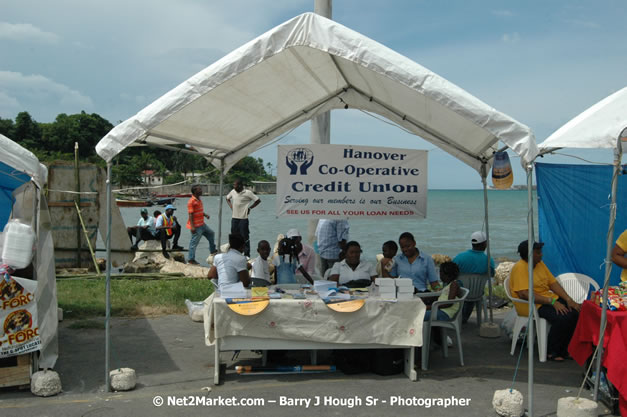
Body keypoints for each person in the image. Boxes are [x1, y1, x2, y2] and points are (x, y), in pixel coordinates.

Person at [509, 240, 580, 362]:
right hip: (531, 305)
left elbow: (553, 283)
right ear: (529, 255)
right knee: (562, 317)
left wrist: (568, 299)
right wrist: (552, 302)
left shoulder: (540, 264)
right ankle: (552, 351)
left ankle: (565, 349)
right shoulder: (520, 268)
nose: (541, 255)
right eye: (538, 253)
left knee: (574, 312)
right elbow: (524, 294)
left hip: (546, 300)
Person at [452, 231, 496, 323]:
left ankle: (459, 317)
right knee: (471, 295)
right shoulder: (488, 260)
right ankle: (464, 318)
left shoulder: (460, 257)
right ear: (484, 244)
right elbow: (492, 274)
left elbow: (451, 273)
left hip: (460, 292)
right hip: (477, 293)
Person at [226, 179, 260, 257]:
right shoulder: (233, 191)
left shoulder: (248, 193)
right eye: (233, 185)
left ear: (240, 185)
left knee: (244, 236)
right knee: (234, 236)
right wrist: (231, 206)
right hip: (234, 218)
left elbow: (258, 200)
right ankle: (235, 252)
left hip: (243, 218)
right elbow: (227, 198)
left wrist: (250, 208)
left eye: (235, 185)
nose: (234, 186)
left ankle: (247, 254)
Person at [187, 184, 217, 265]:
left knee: (211, 233)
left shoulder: (199, 199)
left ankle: (213, 250)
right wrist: (192, 227)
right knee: (194, 243)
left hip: (202, 224)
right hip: (196, 226)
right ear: (195, 191)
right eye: (199, 189)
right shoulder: (191, 201)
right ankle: (191, 259)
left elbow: (198, 211)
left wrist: (205, 214)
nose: (201, 190)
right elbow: (191, 214)